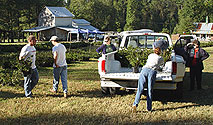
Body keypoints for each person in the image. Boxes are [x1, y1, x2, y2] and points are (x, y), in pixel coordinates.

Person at [132, 47, 164, 112]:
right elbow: (161, 66)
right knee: (149, 90)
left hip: (144, 70)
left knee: (140, 89)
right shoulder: (160, 58)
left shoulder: (150, 55)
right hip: (152, 71)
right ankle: (149, 108)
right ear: (160, 52)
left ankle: (135, 104)